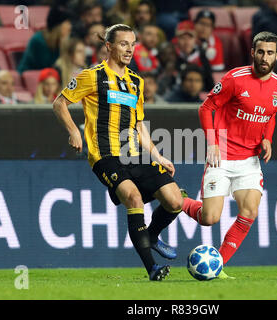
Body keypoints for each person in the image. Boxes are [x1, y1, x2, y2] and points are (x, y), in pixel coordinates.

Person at [52, 24, 184, 281]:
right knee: (133, 198)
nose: (130, 49)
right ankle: (152, 268)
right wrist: (74, 131)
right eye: (124, 44)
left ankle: (152, 236)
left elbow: (138, 126)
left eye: (133, 44)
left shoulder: (136, 82)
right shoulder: (91, 76)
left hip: (134, 153)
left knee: (175, 200)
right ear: (109, 46)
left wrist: (158, 156)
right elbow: (59, 103)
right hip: (105, 156)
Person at [180, 31, 277, 279]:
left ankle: (218, 266)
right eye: (260, 51)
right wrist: (212, 143)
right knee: (209, 218)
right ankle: (180, 201)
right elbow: (206, 108)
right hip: (222, 156)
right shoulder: (235, 79)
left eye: (270, 52)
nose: (264, 57)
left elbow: (270, 115)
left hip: (250, 161)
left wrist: (267, 139)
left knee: (249, 211)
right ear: (252, 52)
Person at [18, 5, 72, 73]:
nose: (70, 27)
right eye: (67, 23)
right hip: (32, 77)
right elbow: (48, 68)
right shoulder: (39, 41)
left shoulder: (62, 41)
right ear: (58, 26)